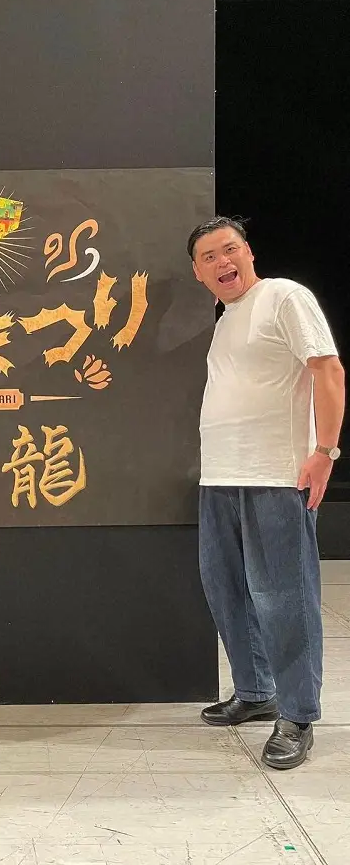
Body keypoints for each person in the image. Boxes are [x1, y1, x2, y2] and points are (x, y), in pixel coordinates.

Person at [189, 216, 345, 770]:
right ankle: (256, 692)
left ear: (249, 252)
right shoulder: (226, 319)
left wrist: (325, 451)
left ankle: (297, 715)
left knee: (284, 598)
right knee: (226, 590)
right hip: (219, 477)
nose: (222, 261)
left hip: (276, 477)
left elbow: (328, 369)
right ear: (198, 273)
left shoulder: (284, 296)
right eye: (208, 257)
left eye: (229, 249)